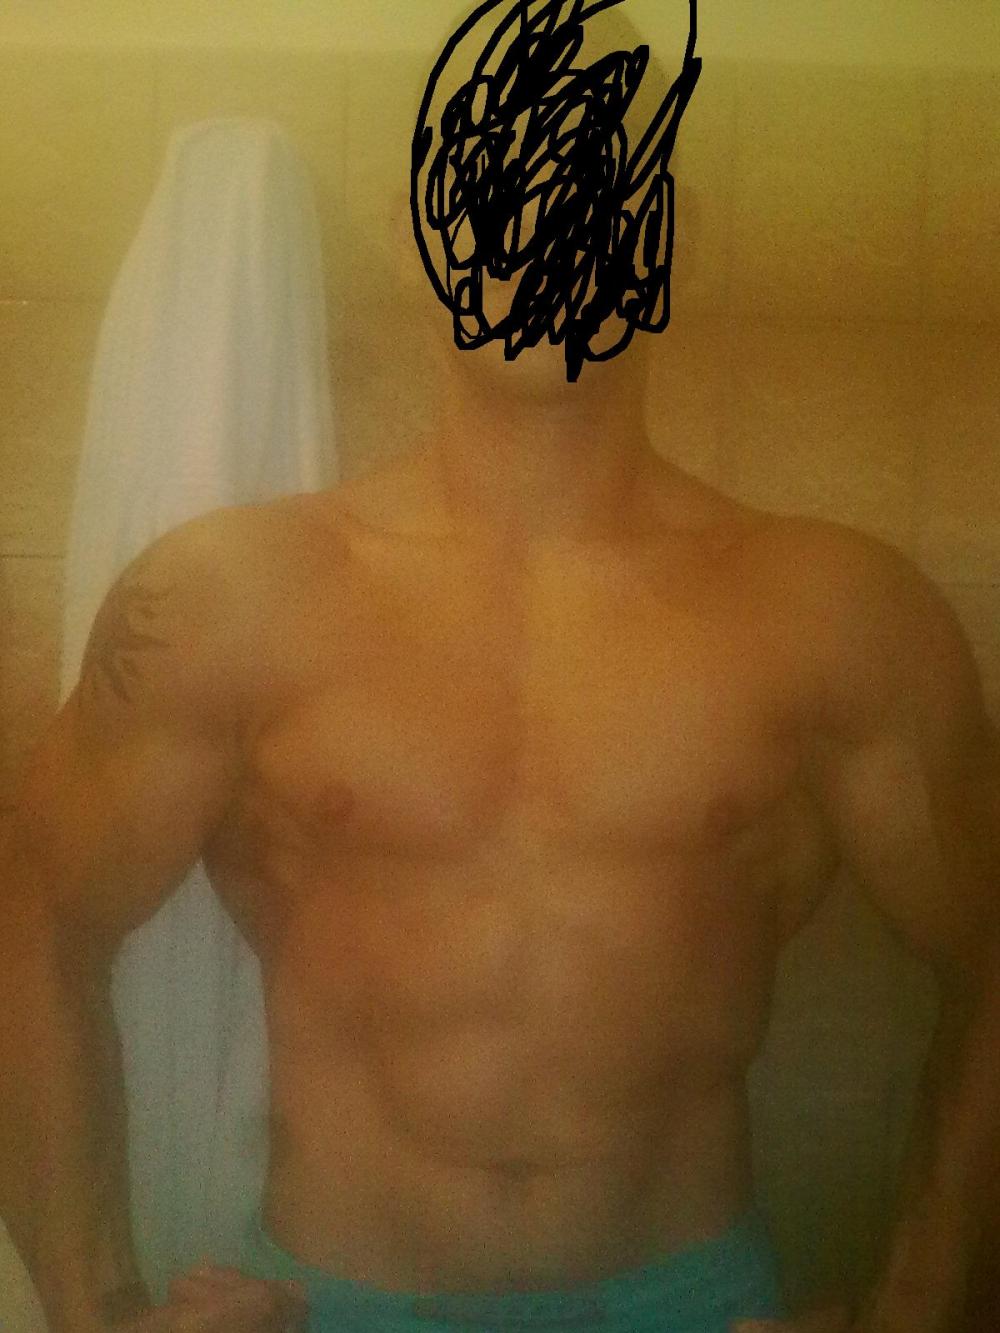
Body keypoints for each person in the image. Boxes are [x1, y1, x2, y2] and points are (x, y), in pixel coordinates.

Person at [2, 8, 1000, 1333]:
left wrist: (919, 1302)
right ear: (419, 229)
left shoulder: (840, 616)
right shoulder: (233, 598)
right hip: (330, 1306)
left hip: (689, 1305)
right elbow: (36, 908)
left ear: (671, 237)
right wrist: (94, 1309)